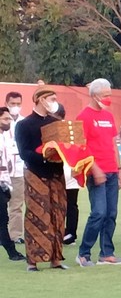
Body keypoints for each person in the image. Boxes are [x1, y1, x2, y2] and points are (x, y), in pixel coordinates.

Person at [76, 79, 121, 267]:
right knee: (98, 212)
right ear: (95, 95)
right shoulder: (84, 116)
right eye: (106, 95)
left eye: (109, 95)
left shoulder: (108, 116)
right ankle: (84, 252)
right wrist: (95, 169)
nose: (108, 98)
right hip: (95, 172)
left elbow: (114, 144)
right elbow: (82, 147)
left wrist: (119, 169)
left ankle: (107, 253)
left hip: (112, 171)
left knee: (111, 213)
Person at [15, 89, 68, 271]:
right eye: (51, 99)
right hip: (36, 174)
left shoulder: (57, 123)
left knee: (58, 215)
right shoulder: (24, 125)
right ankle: (33, 261)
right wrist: (45, 157)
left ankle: (56, 259)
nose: (54, 102)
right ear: (40, 100)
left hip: (57, 175)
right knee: (36, 216)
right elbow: (25, 153)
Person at [0, 107, 26, 262]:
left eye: (9, 119)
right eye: (5, 119)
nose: (8, 122)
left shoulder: (5, 138)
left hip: (4, 183)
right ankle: (12, 252)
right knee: (3, 220)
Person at [52, 104, 81, 245]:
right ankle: (70, 233)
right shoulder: (72, 128)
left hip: (63, 170)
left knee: (59, 204)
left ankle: (62, 232)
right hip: (72, 169)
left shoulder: (52, 129)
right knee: (71, 204)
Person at [4, 91, 26, 244]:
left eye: (18, 104)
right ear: (7, 104)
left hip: (19, 170)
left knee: (16, 205)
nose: (15, 107)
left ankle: (15, 235)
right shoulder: (2, 120)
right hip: (2, 171)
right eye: (12, 104)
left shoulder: (24, 123)